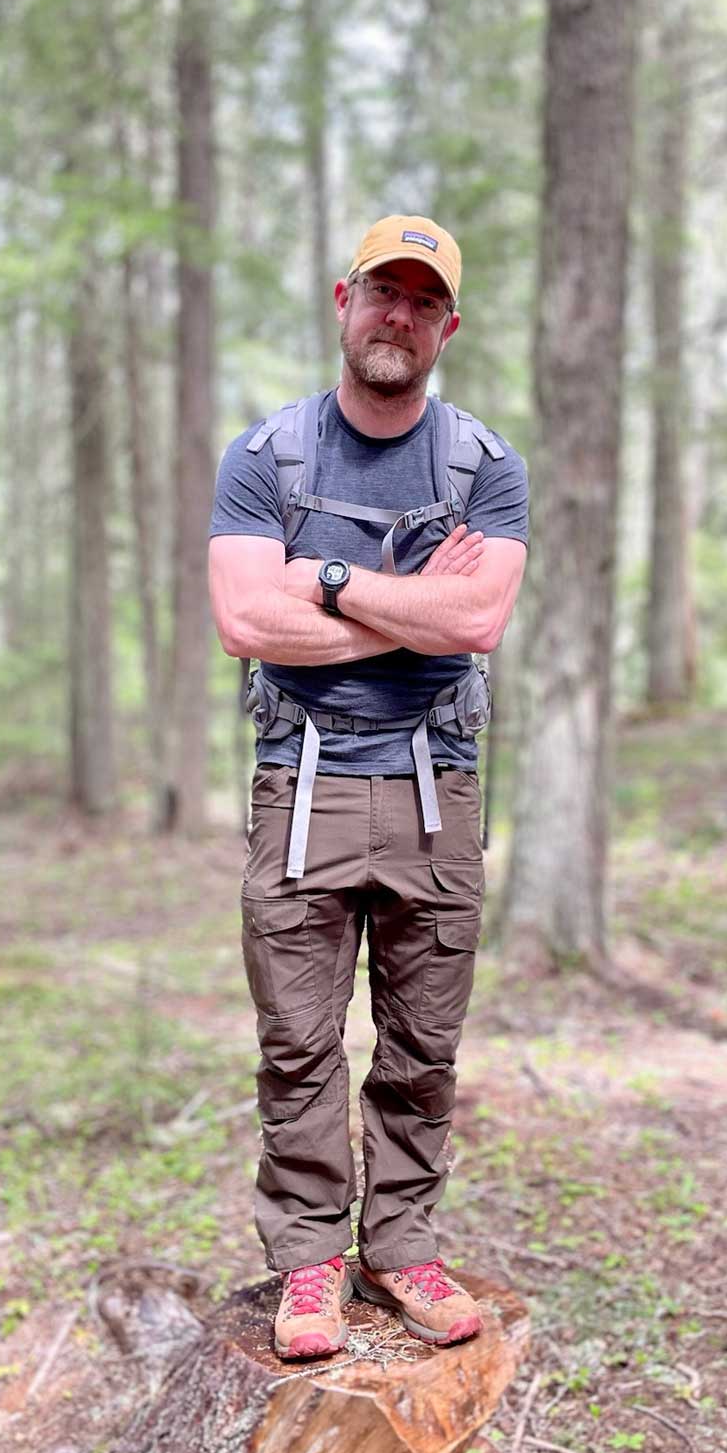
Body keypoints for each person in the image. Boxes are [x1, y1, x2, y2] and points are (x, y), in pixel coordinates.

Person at [208, 215, 529, 1360]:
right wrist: (410, 616)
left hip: (436, 786)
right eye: (380, 292)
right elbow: (247, 620)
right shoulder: (268, 458)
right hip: (301, 783)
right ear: (342, 301)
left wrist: (332, 581)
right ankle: (307, 1263)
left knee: (421, 1045)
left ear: (447, 325)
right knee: (297, 1040)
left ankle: (400, 1247)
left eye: (420, 300)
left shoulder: (485, 469)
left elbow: (480, 619)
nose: (397, 315)